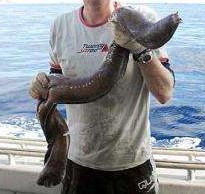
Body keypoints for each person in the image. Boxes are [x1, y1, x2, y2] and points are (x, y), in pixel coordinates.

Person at [30, 0, 175, 193]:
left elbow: (164, 93)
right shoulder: (61, 25)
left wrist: (139, 49)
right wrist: (44, 83)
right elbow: (57, 76)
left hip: (131, 164)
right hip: (78, 163)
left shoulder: (140, 17)